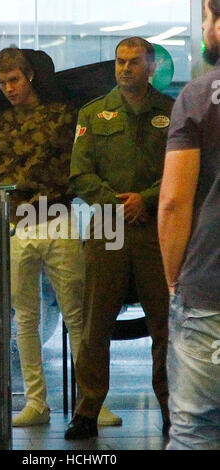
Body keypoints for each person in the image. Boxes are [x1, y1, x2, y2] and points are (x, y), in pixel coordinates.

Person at [0, 47, 119, 427]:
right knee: (24, 318)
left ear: (30, 77)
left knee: (76, 316)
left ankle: (90, 405)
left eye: (15, 80)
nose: (9, 89)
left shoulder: (62, 113)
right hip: (17, 221)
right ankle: (36, 403)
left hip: (58, 215)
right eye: (2, 82)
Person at [65, 37, 174, 440]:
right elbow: (80, 174)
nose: (125, 68)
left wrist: (144, 199)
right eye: (119, 62)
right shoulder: (93, 113)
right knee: (96, 322)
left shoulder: (171, 111)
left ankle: (171, 407)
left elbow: (182, 172)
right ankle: (87, 410)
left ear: (149, 66)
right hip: (107, 226)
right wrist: (116, 202)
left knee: (165, 325)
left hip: (156, 228)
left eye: (133, 62)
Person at [158, 0, 220, 450]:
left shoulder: (199, 96)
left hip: (209, 294)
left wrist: (172, 280)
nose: (204, 28)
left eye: (206, 18)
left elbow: (174, 202)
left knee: (196, 432)